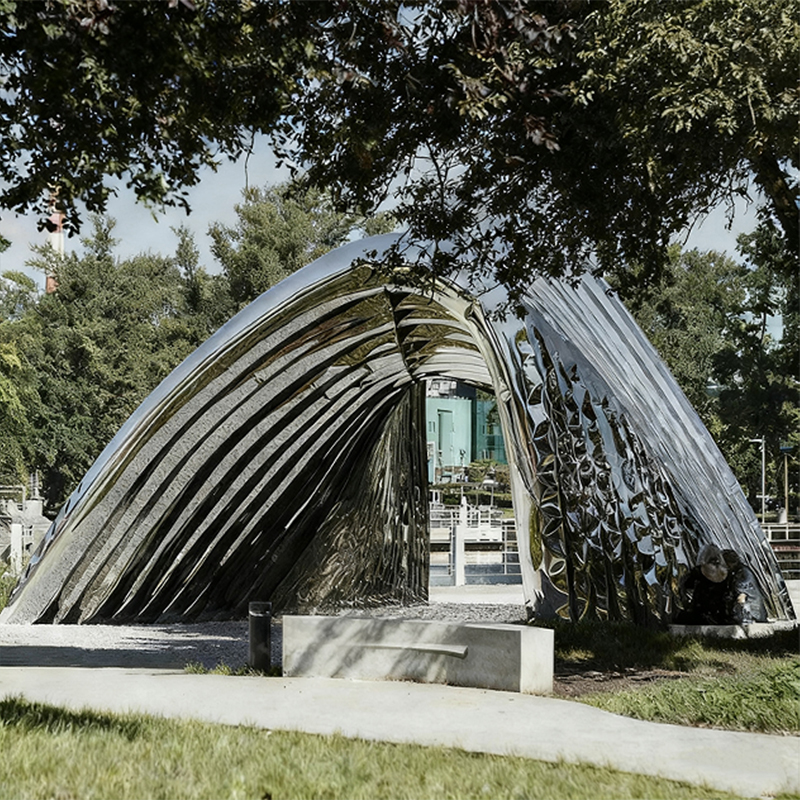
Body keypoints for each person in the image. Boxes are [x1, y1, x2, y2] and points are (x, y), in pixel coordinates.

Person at [676, 543, 733, 624]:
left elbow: (687, 584)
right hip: (719, 611)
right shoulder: (725, 572)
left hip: (701, 609)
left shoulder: (698, 571)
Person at [722, 549, 767, 624]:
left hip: (751, 613)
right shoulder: (739, 571)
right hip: (752, 610)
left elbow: (742, 596)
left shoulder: (742, 573)